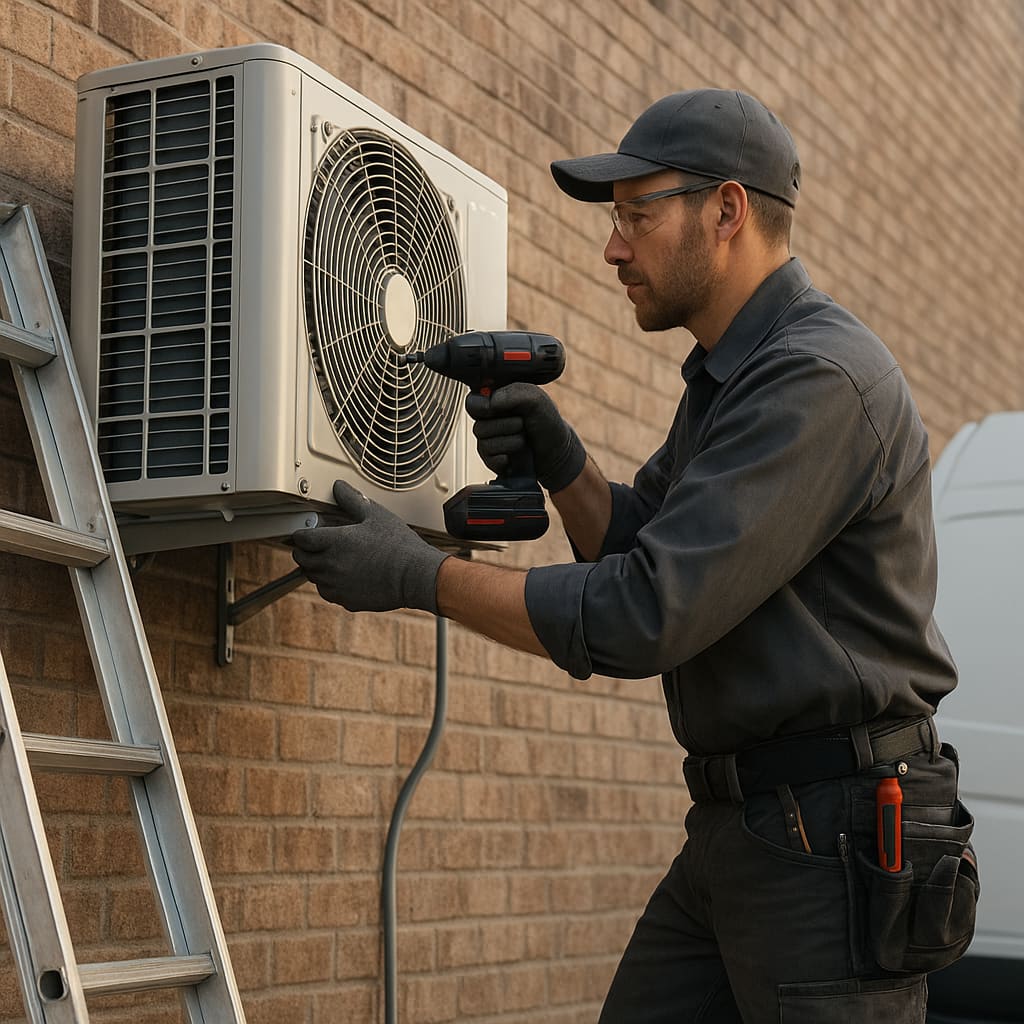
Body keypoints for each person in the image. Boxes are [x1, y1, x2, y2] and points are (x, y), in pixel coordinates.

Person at [291, 89, 979, 1023]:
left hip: (833, 843)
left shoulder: (816, 379)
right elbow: (637, 533)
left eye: (636, 216)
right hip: (745, 828)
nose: (614, 247)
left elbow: (646, 612)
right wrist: (562, 460)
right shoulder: (732, 377)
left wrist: (419, 578)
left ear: (727, 211)